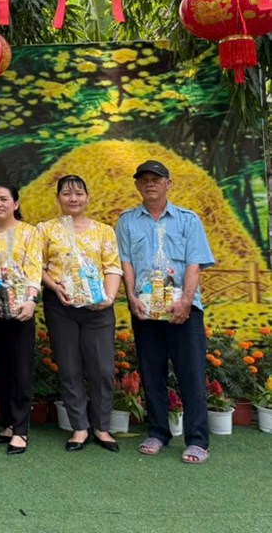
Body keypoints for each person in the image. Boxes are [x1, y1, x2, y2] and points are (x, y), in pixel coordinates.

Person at [116, 160, 215, 464]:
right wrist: (131, 297)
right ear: (137, 185)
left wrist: (186, 300)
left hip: (183, 309)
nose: (150, 184)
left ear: (168, 184)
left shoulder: (187, 220)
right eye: (144, 179)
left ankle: (197, 440)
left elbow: (195, 262)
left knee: (191, 374)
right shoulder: (127, 221)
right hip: (146, 310)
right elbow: (126, 262)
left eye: (156, 179)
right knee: (151, 373)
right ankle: (158, 433)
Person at [38, 174, 123, 453]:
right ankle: (79, 427)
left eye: (78, 193)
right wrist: (54, 287)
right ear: (58, 198)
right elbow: (36, 266)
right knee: (69, 367)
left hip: (98, 309)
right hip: (61, 307)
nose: (73, 198)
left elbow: (112, 267)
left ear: (87, 197)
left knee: (102, 369)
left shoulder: (103, 231)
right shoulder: (45, 229)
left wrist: (108, 299)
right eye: (66, 193)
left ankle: (102, 426)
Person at [0, 182, 42, 456]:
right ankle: (8, 422)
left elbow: (34, 268)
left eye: (4, 199)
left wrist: (30, 300)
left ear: (15, 203)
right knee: (1, 363)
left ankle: (21, 429)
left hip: (21, 298)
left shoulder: (29, 232)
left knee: (21, 365)